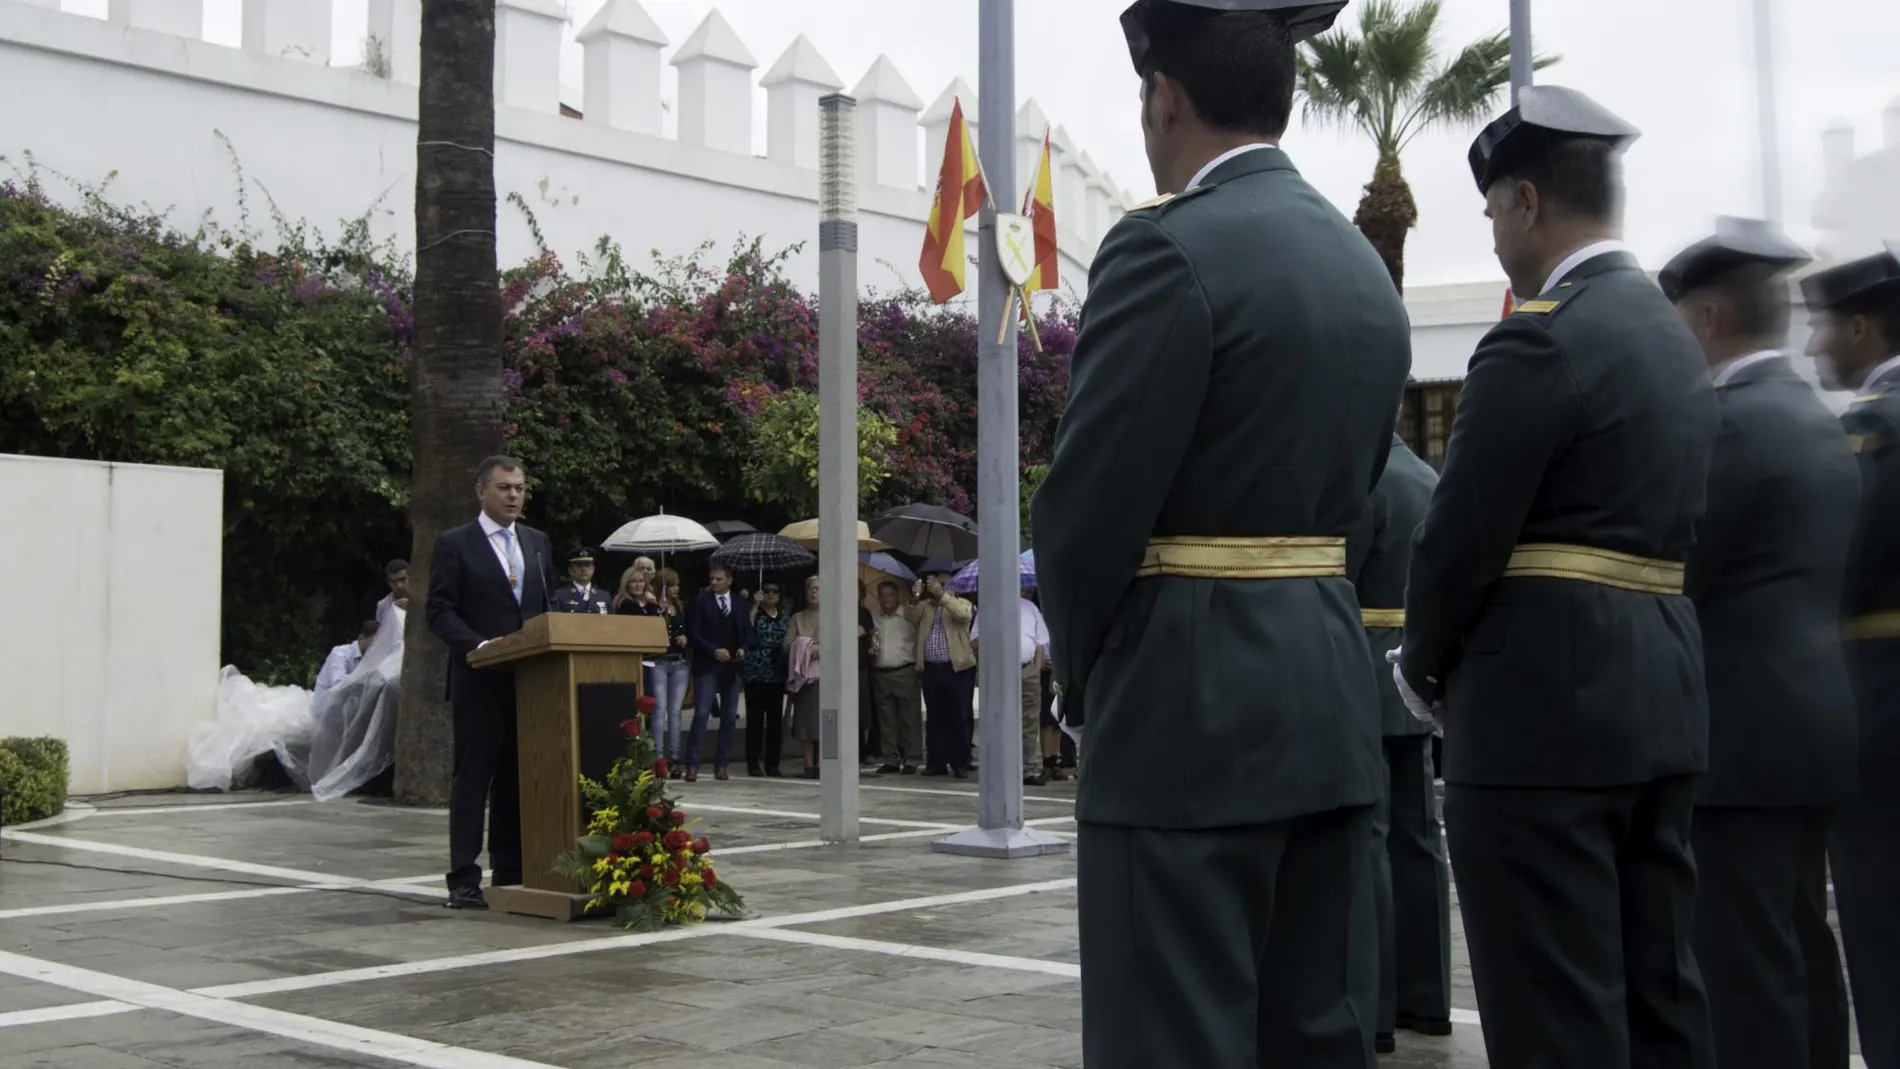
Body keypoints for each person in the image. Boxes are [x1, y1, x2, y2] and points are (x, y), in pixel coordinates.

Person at [1031, 1, 1407, 1063]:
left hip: (1185, 707)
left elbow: (1087, 509)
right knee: (1315, 1031)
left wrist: (1083, 679)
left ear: (1166, 97)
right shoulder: (1360, 267)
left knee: (1172, 1030)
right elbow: (1363, 490)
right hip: (1329, 694)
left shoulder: (1164, 247)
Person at [1395, 86, 1718, 1067]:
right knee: (1658, 998)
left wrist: (1422, 663)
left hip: (1542, 714)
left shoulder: (1540, 334)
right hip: (1660, 694)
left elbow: (1458, 537)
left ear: (1527, 201)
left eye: (1494, 212)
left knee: (1555, 1013)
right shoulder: (1675, 340)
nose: (1494, 237)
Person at [1658, 218, 1860, 1069]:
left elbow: (1680, 566)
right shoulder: (1815, 419)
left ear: (1704, 319)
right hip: (1812, 717)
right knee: (1798, 941)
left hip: (1740, 734)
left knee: (1742, 961)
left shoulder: (1729, 425)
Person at [1802, 242, 1900, 1069]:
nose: (1814, 344)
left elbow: (1840, 565)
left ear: (1863, 327)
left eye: (1825, 325)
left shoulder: (1874, 425)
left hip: (1882, 707)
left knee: (1882, 922)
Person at [1344, 432, 1449, 1055]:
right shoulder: (1429, 480)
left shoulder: (1363, 480)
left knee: (1371, 844)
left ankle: (1377, 1008)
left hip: (1362, 668)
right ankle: (1427, 998)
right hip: (1409, 668)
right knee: (1422, 841)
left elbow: (1336, 576)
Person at [424, 456, 553, 910]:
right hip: (479, 682)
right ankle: (463, 877)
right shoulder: (455, 544)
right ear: (482, 491)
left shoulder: (537, 543)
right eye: (504, 488)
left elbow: (543, 611)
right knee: (473, 780)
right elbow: (439, 610)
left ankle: (511, 867)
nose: (514, 495)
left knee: (517, 779)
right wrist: (477, 646)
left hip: (530, 683)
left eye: (519, 488)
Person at [970, 591, 1051, 787]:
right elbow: (973, 642)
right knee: (1000, 719)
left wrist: (1036, 669)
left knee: (1029, 720)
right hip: (1000, 671)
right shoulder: (989, 608)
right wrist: (991, 631)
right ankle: (999, 768)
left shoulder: (1030, 608)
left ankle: (1028, 768)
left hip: (1027, 669)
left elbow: (1040, 642)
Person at [621, 567, 690, 779]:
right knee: (659, 711)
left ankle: (675, 758)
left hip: (678, 662)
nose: (676, 589)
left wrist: (685, 638)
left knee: (676, 712)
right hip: (657, 662)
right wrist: (657, 609)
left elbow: (684, 629)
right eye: (672, 585)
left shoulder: (678, 606)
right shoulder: (639, 605)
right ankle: (659, 759)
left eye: (677, 585)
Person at [683, 563, 750, 781]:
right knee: (702, 714)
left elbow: (748, 632)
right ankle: (692, 764)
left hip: (733, 665)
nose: (714, 582)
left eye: (718, 579)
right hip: (708, 664)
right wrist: (713, 651)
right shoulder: (700, 602)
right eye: (712, 578)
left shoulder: (740, 603)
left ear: (729, 580)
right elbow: (693, 632)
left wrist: (743, 649)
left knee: (729, 716)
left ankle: (722, 763)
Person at [913, 568, 976, 780]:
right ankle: (936, 762)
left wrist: (943, 596)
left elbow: (963, 615)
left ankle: (960, 762)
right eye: (936, 583)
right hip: (932, 669)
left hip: (957, 668)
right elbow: (910, 617)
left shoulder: (962, 603)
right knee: (934, 718)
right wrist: (916, 595)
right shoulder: (927, 607)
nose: (938, 586)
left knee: (958, 717)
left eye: (943, 583)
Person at [869, 580, 925, 774]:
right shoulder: (875, 617)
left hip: (905, 671)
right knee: (887, 720)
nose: (886, 599)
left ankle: (912, 758)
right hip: (881, 673)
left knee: (909, 719)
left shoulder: (908, 616)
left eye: (890, 595)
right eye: (882, 596)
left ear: (898, 597)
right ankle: (890, 758)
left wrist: (916, 596)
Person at [742, 582, 789, 777]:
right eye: (767, 591)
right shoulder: (755, 614)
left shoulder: (784, 616)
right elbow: (747, 630)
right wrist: (754, 605)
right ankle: (753, 762)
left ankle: (773, 763)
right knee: (755, 720)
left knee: (775, 722)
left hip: (776, 673)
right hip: (755, 672)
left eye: (774, 591)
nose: (770, 594)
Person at [783, 576, 826, 779]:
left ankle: (823, 762)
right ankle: (808, 764)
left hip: (827, 677)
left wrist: (822, 648)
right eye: (811, 589)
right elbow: (786, 644)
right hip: (804, 678)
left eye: (818, 589)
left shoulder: (832, 616)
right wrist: (806, 646)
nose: (814, 593)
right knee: (805, 723)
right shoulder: (797, 618)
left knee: (825, 721)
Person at [315, 619, 379, 696]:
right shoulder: (340, 653)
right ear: (362, 637)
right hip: (324, 705)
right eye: (373, 642)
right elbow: (338, 683)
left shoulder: (369, 658)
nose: (376, 647)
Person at [549, 546, 612, 614]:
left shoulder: (604, 596)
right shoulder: (559, 595)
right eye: (579, 565)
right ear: (571, 570)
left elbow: (613, 622)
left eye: (587, 565)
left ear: (593, 569)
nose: (584, 569)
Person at [375, 559, 409, 624]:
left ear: (410, 578)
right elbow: (381, 632)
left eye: (403, 579)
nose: (399, 585)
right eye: (393, 582)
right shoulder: (382, 605)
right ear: (388, 582)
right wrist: (392, 612)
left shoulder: (423, 600)